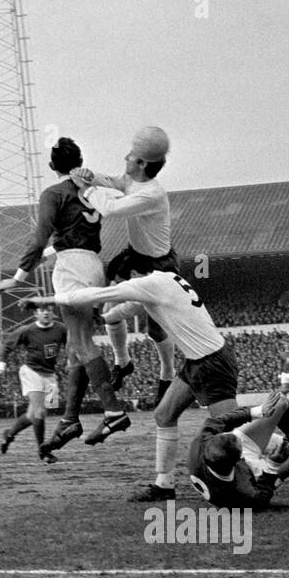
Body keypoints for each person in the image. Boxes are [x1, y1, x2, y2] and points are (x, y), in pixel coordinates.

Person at [23, 268, 289, 501]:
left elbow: (98, 297)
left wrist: (48, 299)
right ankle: (163, 485)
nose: (121, 284)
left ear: (134, 272)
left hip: (212, 363)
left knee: (236, 434)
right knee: (164, 415)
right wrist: (115, 336)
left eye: (123, 278)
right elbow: (116, 311)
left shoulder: (149, 284)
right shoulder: (162, 281)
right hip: (198, 360)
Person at [0, 137, 130, 459]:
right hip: (96, 264)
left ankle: (113, 411)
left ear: (53, 165)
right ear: (79, 161)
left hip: (72, 268)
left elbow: (39, 236)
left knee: (82, 344)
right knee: (75, 351)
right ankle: (70, 419)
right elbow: (76, 232)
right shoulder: (89, 189)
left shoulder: (53, 194)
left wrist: (18, 277)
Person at [69, 126, 178, 403]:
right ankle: (123, 362)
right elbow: (111, 180)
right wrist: (88, 175)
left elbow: (112, 209)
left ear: (142, 163)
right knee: (111, 314)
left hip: (158, 265)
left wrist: (87, 188)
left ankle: (168, 373)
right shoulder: (133, 180)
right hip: (136, 256)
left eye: (131, 155)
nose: (126, 157)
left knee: (154, 329)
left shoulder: (152, 194)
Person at [189, 390, 289, 509]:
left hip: (235, 460)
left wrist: (259, 411)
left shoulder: (202, 441)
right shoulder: (238, 492)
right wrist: (273, 464)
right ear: (238, 460)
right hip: (257, 474)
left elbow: (225, 419)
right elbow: (261, 498)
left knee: (279, 401)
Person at [0, 305, 67, 462]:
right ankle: (43, 451)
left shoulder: (61, 329)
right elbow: (7, 344)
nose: (46, 312)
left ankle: (10, 434)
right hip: (31, 372)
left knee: (33, 415)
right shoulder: (27, 330)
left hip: (50, 375)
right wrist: (1, 364)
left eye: (48, 309)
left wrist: (72, 359)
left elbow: (72, 344)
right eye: (42, 310)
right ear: (36, 314)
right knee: (40, 412)